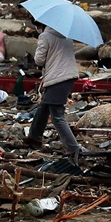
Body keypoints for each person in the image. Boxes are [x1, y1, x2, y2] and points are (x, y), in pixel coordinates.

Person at [25, 24, 83, 161]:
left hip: (58, 78)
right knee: (44, 106)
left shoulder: (45, 36)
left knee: (57, 116)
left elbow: (39, 60)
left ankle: (73, 148)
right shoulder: (67, 37)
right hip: (68, 76)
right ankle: (34, 137)